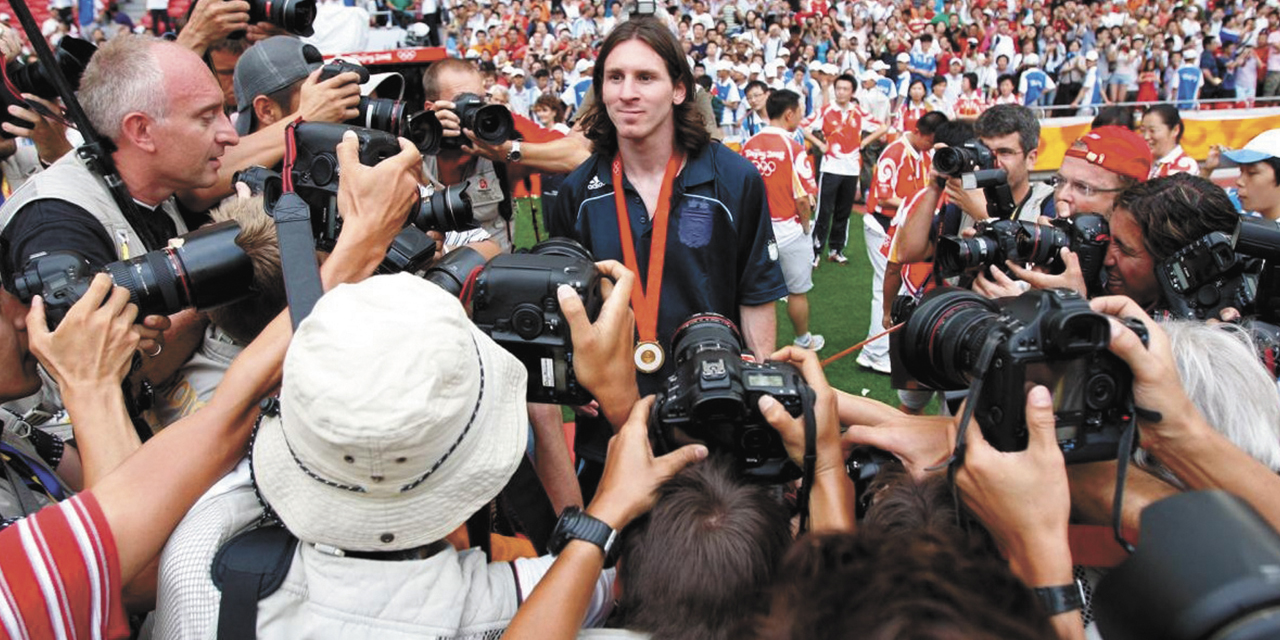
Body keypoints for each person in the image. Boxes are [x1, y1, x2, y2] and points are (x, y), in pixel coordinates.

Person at [0, 129, 423, 639]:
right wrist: (92, 385)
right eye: (9, 306)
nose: (31, 318)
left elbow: (217, 423)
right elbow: (130, 575)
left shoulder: (10, 426)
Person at [547, 17, 786, 499]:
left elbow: (756, 294)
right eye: (614, 78)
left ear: (679, 90)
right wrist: (574, 380)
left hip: (715, 414)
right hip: (612, 428)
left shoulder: (734, 178)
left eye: (645, 77)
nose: (627, 93)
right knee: (621, 568)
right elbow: (565, 303)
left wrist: (760, 390)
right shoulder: (576, 191)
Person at [0, 36, 237, 414]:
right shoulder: (55, 224)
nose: (230, 134)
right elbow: (82, 384)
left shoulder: (157, 184)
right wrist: (223, 283)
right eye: (206, 118)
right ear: (141, 131)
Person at [865, 110, 946, 374]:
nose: (933, 148)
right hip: (883, 224)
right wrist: (920, 207)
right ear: (923, 134)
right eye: (932, 141)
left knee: (892, 285)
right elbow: (884, 197)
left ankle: (877, 350)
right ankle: (875, 352)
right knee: (885, 285)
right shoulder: (895, 152)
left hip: (900, 224)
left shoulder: (922, 153)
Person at [741, 89, 822, 351]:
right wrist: (807, 227)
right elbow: (803, 198)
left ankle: (758, 350)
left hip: (756, 232)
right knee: (797, 291)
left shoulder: (749, 145)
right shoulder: (794, 147)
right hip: (789, 231)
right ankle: (802, 340)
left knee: (759, 295)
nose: (801, 116)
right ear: (789, 114)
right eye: (799, 111)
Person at [803, 73, 885, 266]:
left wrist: (863, 142)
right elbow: (802, 126)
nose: (841, 92)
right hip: (830, 167)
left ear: (852, 92)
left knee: (843, 212)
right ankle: (815, 251)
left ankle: (836, 250)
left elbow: (882, 127)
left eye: (845, 89)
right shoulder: (825, 111)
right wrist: (819, 144)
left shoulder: (858, 112)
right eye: (838, 88)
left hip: (851, 169)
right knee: (824, 210)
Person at [1203, 129, 1280, 221]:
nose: (1239, 181)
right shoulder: (1239, 213)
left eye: (1252, 172)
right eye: (1241, 171)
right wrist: (1206, 171)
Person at [1142, 104, 1200, 179]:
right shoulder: (1144, 161)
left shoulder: (1185, 164)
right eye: (1143, 130)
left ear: (1175, 130)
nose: (1146, 137)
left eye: (1152, 131)